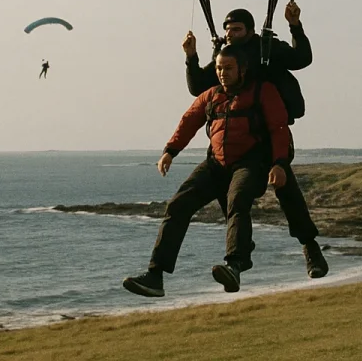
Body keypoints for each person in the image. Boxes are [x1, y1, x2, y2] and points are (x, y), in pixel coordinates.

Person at [123, 44, 289, 298]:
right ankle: (155, 276)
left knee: (237, 201)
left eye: (228, 68)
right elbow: (189, 121)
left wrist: (279, 163)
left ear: (242, 69)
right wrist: (170, 151)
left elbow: (278, 128)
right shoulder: (211, 96)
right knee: (178, 205)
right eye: (219, 68)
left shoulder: (262, 92)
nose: (222, 73)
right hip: (216, 164)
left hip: (251, 163)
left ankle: (235, 265)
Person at [183, 1, 329, 279]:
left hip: (270, 135)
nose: (230, 35)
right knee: (225, 188)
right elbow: (198, 87)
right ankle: (241, 246)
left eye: (236, 30)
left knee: (286, 189)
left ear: (249, 31)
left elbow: (302, 59)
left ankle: (311, 249)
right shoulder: (223, 56)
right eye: (227, 30)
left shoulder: (267, 48)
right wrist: (191, 56)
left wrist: (295, 25)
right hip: (235, 136)